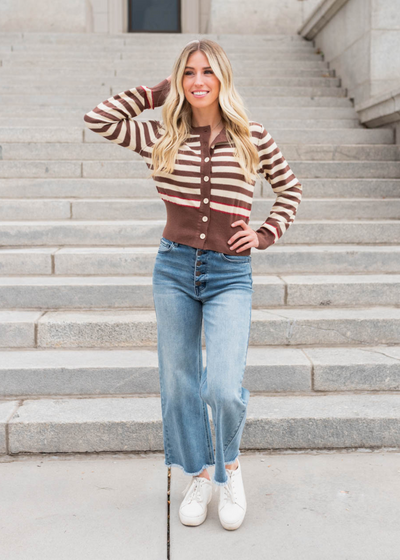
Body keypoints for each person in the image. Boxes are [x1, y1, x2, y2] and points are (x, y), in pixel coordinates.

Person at [83, 38, 302, 531]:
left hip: (229, 274)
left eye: (207, 71)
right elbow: (99, 118)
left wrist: (265, 232)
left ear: (223, 77)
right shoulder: (161, 137)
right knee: (180, 383)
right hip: (174, 269)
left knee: (223, 387)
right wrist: (157, 91)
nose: (198, 81)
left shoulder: (252, 137)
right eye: (188, 73)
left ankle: (231, 469)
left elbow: (290, 188)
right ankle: (199, 474)